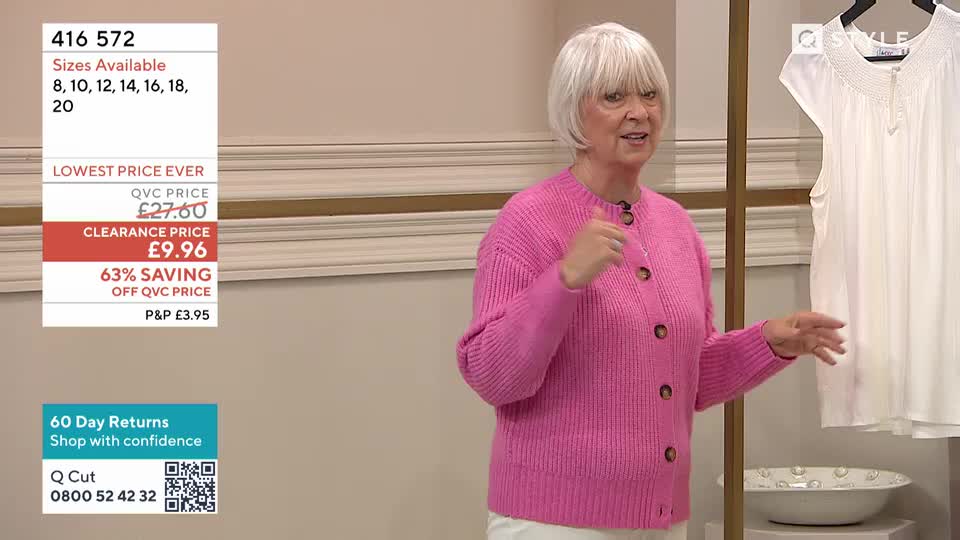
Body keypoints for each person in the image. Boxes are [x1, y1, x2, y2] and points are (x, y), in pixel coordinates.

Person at [455, 22, 846, 540]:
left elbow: (689, 378)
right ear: (574, 112)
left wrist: (768, 343)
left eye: (650, 94)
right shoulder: (527, 222)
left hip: (661, 519)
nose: (639, 111)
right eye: (614, 96)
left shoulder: (676, 228)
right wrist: (564, 280)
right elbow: (493, 377)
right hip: (555, 521)